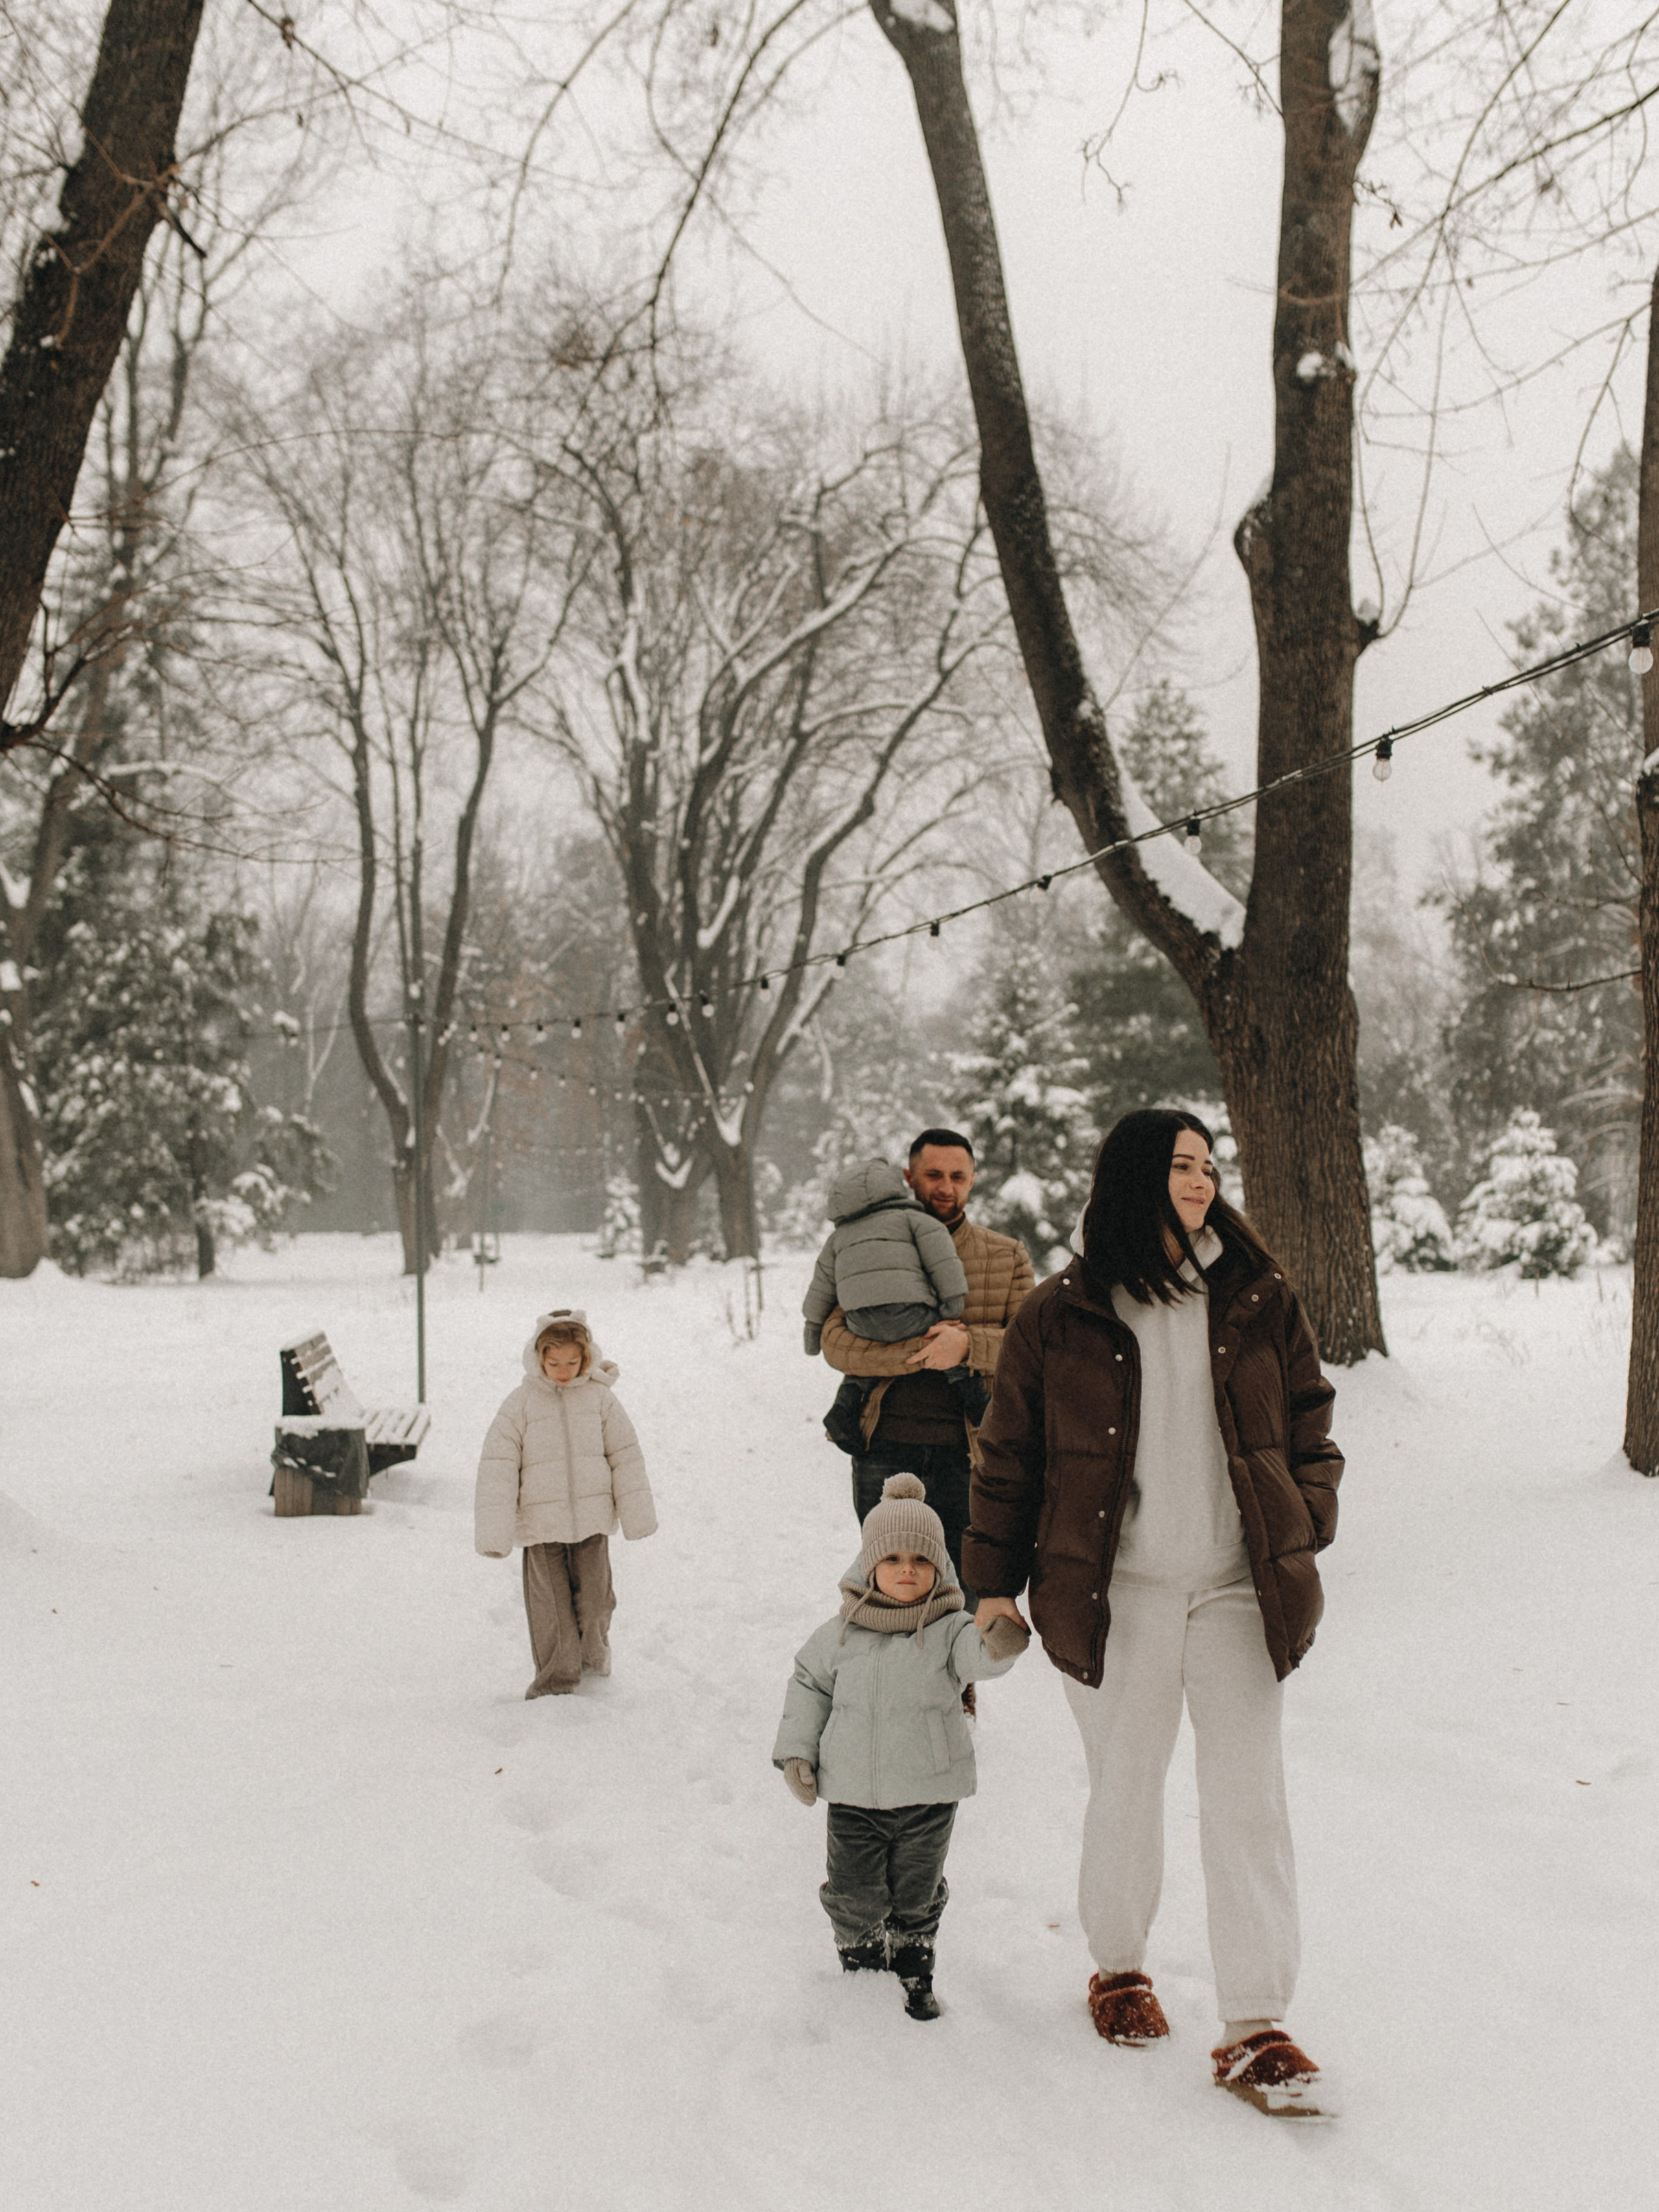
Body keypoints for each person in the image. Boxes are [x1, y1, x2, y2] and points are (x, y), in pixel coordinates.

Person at [968, 1110, 1343, 2119]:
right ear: (1136, 1175)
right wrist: (991, 1580)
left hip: (1236, 1588)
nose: (1202, 1179)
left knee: (1249, 1798)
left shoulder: (1258, 1296)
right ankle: (1120, 1965)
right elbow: (1009, 1455)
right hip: (1117, 1590)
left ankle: (1255, 2023)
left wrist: (1304, 1515)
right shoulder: (1063, 1314)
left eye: (1210, 1164)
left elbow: (1310, 1418)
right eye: (1182, 1164)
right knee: (1126, 1786)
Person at [772, 1473, 1028, 2019]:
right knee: (853, 1892)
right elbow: (808, 1686)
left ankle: (914, 1969)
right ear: (869, 1565)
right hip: (853, 1799)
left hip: (927, 1798)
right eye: (892, 1558)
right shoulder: (838, 1634)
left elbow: (981, 1657)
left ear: (941, 1567)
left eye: (920, 1558)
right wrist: (798, 1753)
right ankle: (862, 1966)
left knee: (917, 1893)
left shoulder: (951, 1629)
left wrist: (1000, 1641)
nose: (907, 1569)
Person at [817, 1130, 1034, 1629]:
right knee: (891, 1589)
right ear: (909, 1177)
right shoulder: (867, 1245)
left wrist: (966, 1346)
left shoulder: (1006, 1256)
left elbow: (1031, 1348)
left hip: (970, 1454)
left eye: (958, 1176)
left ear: (973, 1180)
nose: (946, 1187)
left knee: (963, 1595)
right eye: (933, 1175)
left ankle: (958, 1678)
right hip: (885, 1447)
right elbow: (834, 1340)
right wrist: (923, 1352)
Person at [474, 1308, 657, 1699]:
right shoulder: (521, 1404)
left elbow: (625, 1455)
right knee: (553, 1611)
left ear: (586, 1357)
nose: (563, 1371)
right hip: (541, 1528)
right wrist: (495, 1534)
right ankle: (556, 1682)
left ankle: (593, 1657)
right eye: (554, 1362)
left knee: (595, 1604)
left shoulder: (601, 1399)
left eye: (572, 1363)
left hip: (592, 1523)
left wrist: (637, 1516)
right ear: (538, 1357)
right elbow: (498, 1467)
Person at [802, 1157, 984, 1454]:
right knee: (942, 1340)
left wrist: (812, 1328)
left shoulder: (838, 1238)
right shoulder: (914, 1220)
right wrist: (952, 1305)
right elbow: (942, 1261)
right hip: (909, 1312)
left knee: (867, 1361)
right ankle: (979, 1406)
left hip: (860, 1320)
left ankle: (843, 1407)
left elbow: (821, 1286)